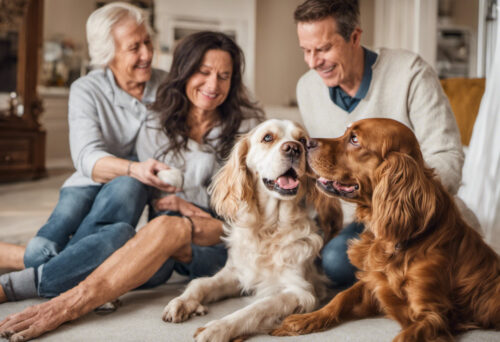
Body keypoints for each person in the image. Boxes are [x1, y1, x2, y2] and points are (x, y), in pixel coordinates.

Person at [0, 28, 263, 341]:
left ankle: (20, 288)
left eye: (224, 76)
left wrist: (192, 212)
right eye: (203, 72)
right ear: (184, 72)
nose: (212, 85)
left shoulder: (248, 128)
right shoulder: (156, 122)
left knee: (168, 228)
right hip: (164, 241)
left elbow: (255, 211)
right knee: (122, 237)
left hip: (223, 241)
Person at [0, 2, 175, 303]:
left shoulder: (168, 87)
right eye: (134, 47)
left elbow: (174, 150)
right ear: (108, 54)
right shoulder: (86, 89)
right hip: (87, 182)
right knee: (39, 249)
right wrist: (132, 168)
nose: (147, 54)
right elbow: (86, 158)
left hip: (137, 188)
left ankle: (30, 276)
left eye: (148, 42)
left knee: (131, 195)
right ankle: (89, 265)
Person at [293, 0, 464, 288]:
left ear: (355, 37)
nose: (313, 62)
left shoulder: (411, 73)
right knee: (298, 250)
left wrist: (400, 206)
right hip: (353, 214)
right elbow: (326, 166)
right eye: (306, 51)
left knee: (335, 260)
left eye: (323, 49)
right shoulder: (306, 88)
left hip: (408, 213)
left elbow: (447, 156)